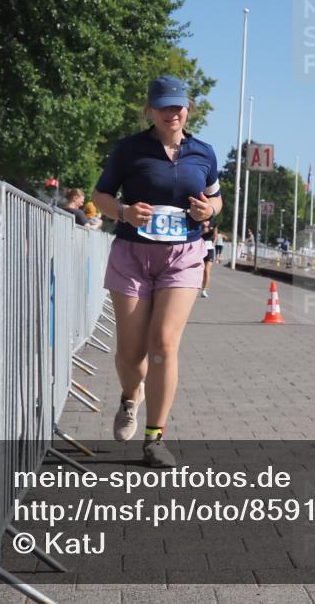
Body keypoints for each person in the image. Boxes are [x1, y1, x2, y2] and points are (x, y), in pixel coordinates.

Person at [91, 75, 222, 468]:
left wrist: (209, 210)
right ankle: (131, 396)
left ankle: (154, 439)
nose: (172, 113)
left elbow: (216, 199)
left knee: (163, 345)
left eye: (178, 106)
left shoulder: (203, 153)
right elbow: (99, 196)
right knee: (130, 354)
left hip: (183, 256)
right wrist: (123, 211)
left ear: (188, 109)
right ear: (149, 110)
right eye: (163, 107)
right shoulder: (129, 150)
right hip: (132, 256)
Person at [200, 221, 216, 298]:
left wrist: (213, 243)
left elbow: (215, 235)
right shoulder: (199, 221)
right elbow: (197, 234)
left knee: (207, 270)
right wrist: (204, 229)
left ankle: (204, 290)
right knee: (199, 271)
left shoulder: (214, 223)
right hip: (200, 248)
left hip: (209, 249)